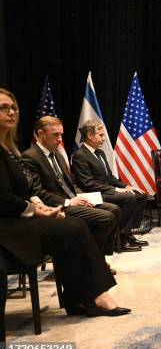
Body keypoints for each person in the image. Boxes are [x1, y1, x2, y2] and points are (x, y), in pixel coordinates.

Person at [0, 88, 129, 317]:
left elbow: (27, 190)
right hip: (9, 226)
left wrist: (39, 206)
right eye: (3, 108)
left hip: (25, 214)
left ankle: (81, 297)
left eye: (14, 108)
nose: (11, 112)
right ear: (40, 134)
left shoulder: (11, 149)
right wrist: (39, 211)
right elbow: (4, 197)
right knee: (77, 226)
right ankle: (94, 294)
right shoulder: (29, 155)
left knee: (90, 221)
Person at [21, 116, 121, 258]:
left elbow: (71, 184)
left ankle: (96, 259)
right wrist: (68, 202)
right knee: (106, 217)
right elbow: (37, 192)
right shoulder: (30, 157)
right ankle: (92, 258)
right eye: (55, 135)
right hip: (57, 206)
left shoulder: (58, 156)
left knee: (114, 209)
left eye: (61, 134)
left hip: (73, 200)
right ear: (41, 134)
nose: (60, 139)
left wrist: (81, 196)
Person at [72, 120, 147, 252]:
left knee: (140, 195)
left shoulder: (99, 153)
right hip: (94, 194)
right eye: (100, 135)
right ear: (90, 135)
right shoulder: (80, 156)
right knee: (129, 198)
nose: (103, 138)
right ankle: (120, 238)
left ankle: (126, 234)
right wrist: (117, 190)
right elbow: (87, 184)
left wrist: (127, 186)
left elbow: (111, 178)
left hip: (106, 191)